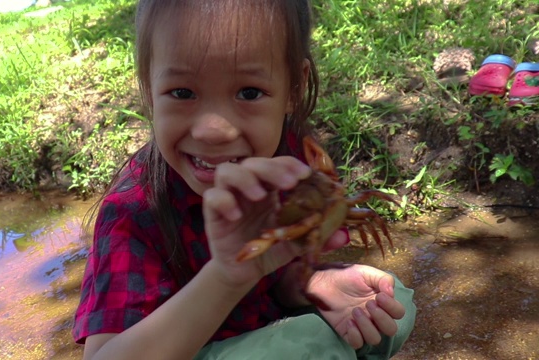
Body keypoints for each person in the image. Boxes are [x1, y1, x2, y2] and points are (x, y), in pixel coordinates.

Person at [72, 0, 416, 359]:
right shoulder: (133, 210)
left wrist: (310, 283)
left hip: (257, 326)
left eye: (249, 93)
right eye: (182, 92)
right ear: (148, 89)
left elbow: (274, 273)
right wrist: (224, 276)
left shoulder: (290, 158)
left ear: (294, 90)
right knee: (308, 349)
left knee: (391, 302)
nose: (213, 130)